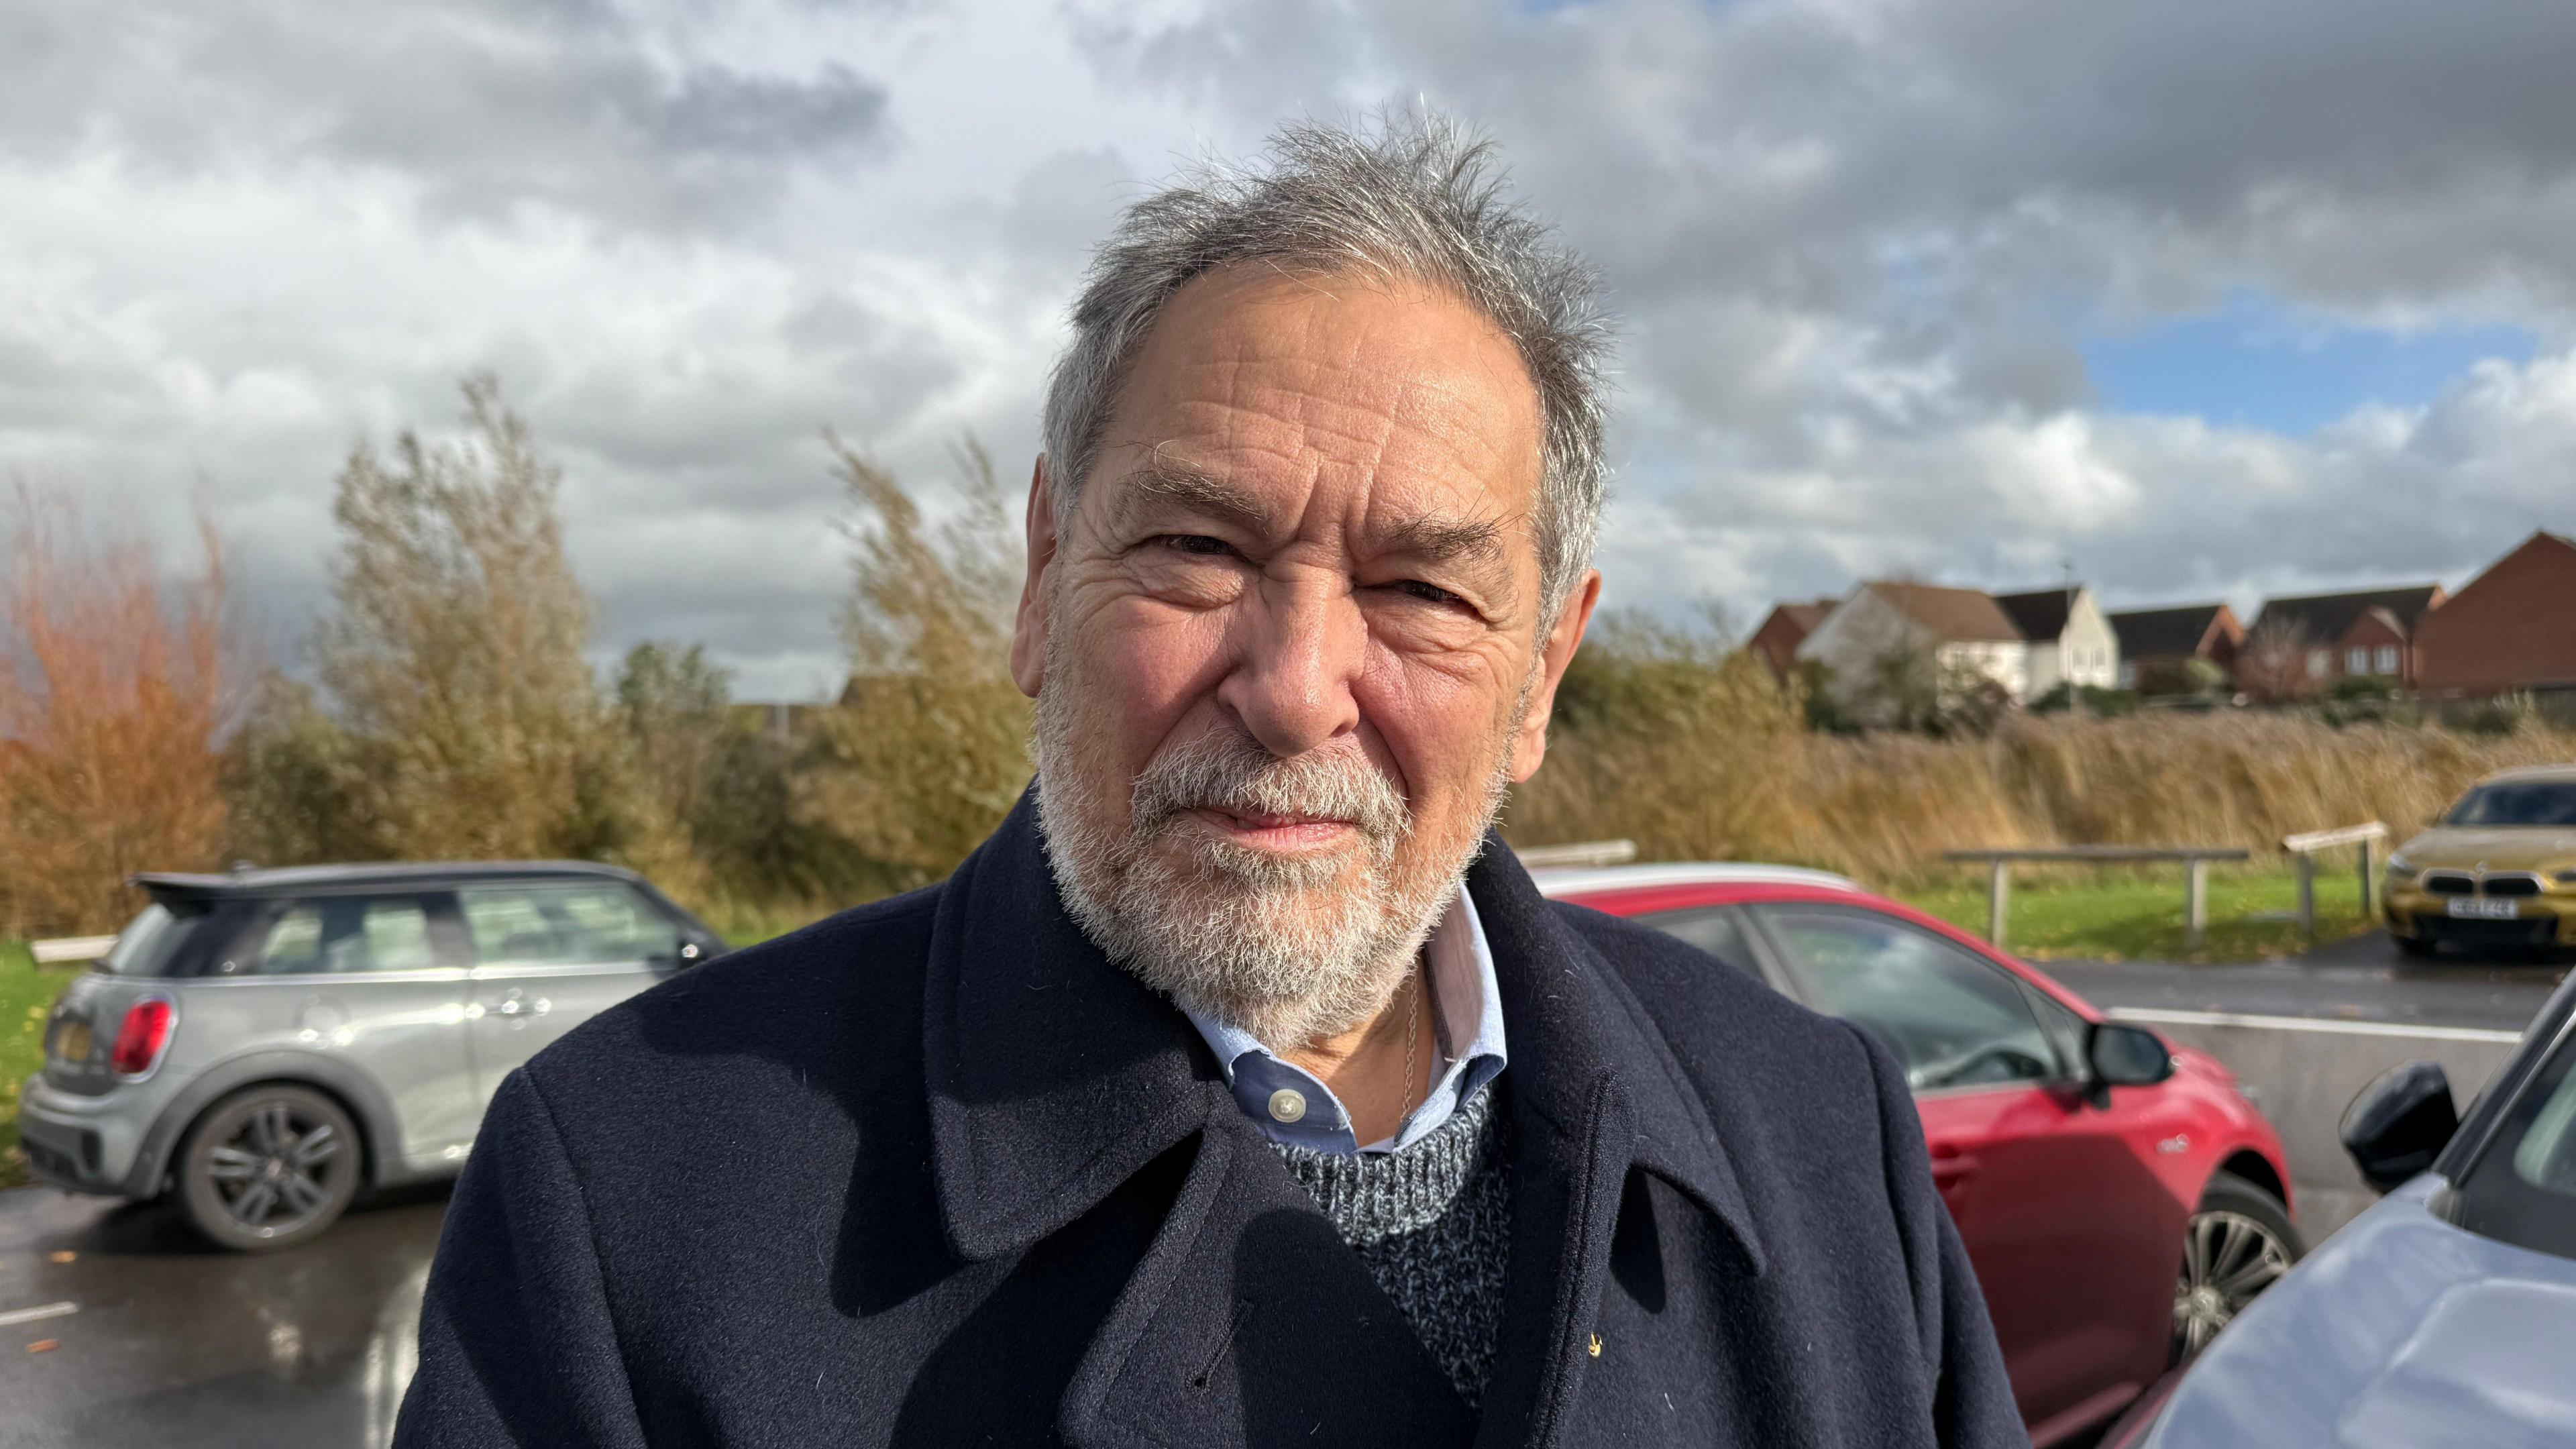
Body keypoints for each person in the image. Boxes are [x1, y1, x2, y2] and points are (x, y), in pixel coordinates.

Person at [394, 115, 2027, 1448]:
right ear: (1046, 574)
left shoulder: (1822, 1133)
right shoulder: (628, 1193)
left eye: (1421, 590)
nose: (1296, 686)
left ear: (1542, 670)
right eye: (1195, 547)